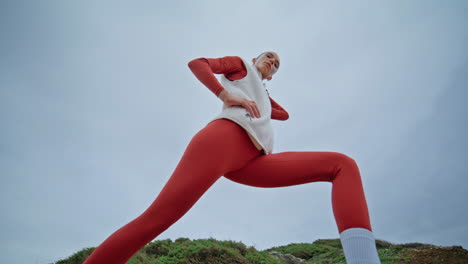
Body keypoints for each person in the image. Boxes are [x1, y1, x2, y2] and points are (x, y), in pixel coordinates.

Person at [83, 51, 381, 264]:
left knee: (342, 164)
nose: (272, 62)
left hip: (253, 161)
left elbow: (284, 114)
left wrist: (262, 99)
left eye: (276, 64)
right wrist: (225, 94)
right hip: (221, 142)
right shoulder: (241, 67)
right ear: (255, 60)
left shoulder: (260, 92)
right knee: (156, 219)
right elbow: (197, 63)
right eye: (268, 56)